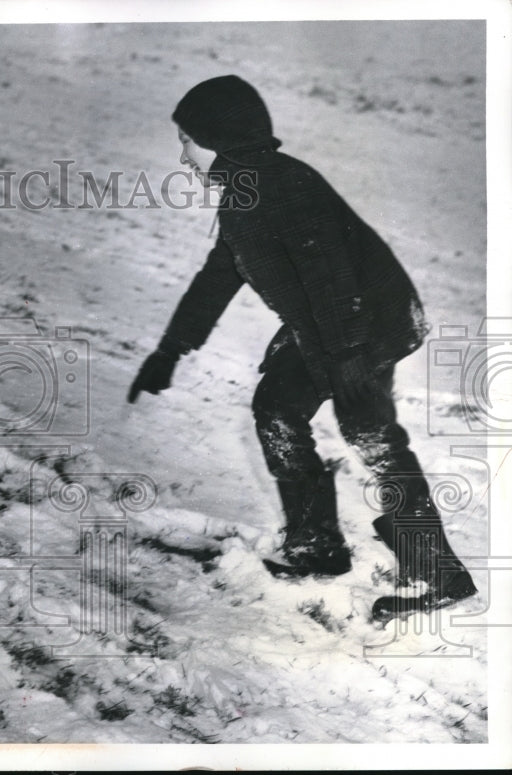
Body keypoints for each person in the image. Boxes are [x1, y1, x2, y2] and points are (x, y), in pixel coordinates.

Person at [127, 74, 476, 622]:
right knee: (278, 406)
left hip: (365, 323)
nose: (182, 155)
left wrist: (349, 358)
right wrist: (172, 348)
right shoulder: (246, 192)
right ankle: (317, 545)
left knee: (372, 433)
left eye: (187, 140)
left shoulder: (282, 188)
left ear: (218, 138)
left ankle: (438, 573)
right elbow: (219, 275)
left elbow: (333, 277)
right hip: (328, 325)